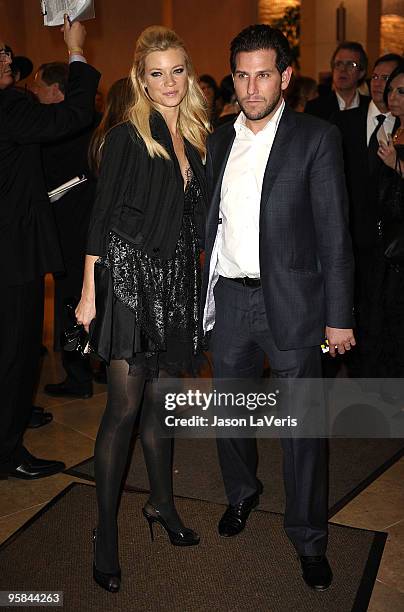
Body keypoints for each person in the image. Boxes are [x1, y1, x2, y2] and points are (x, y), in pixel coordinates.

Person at [201, 24, 354, 591]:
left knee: (301, 430)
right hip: (231, 303)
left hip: (291, 304)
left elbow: (336, 236)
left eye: (263, 74)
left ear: (285, 77)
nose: (250, 86)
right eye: (242, 75)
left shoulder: (315, 138)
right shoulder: (218, 139)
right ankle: (242, 496)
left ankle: (309, 538)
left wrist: (339, 317)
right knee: (231, 417)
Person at [75, 25, 209, 593]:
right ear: (141, 78)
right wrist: (88, 294)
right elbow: (100, 218)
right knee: (122, 413)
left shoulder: (199, 135)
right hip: (129, 282)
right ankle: (105, 535)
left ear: (189, 72)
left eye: (177, 69)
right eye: (157, 73)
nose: (169, 82)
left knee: (161, 405)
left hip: (176, 282)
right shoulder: (130, 136)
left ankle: (161, 504)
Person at [0, 18, 100, 481]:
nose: (7, 60)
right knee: (17, 357)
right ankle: (6, 451)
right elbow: (74, 114)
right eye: (0, 54)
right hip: (12, 257)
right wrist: (76, 50)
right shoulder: (6, 107)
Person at [30, 61, 101, 400]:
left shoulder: (58, 128)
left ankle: (78, 376)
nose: (34, 94)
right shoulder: (90, 122)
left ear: (57, 91)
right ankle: (94, 368)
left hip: (72, 232)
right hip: (89, 228)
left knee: (71, 302)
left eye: (39, 88)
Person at [334, 54, 402, 376]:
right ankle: (346, 362)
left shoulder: (399, 129)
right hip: (351, 235)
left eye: (387, 79)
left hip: (391, 244)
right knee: (353, 306)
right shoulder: (345, 120)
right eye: (376, 77)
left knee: (383, 313)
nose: (381, 85)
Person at [364, 62, 404, 377]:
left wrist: (396, 165)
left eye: (401, 91)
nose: (393, 96)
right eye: (391, 90)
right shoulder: (392, 128)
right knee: (386, 314)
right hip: (386, 242)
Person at [305, 41, 369, 120]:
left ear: (361, 72)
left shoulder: (370, 107)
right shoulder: (314, 108)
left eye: (350, 64)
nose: (343, 69)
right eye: (338, 64)